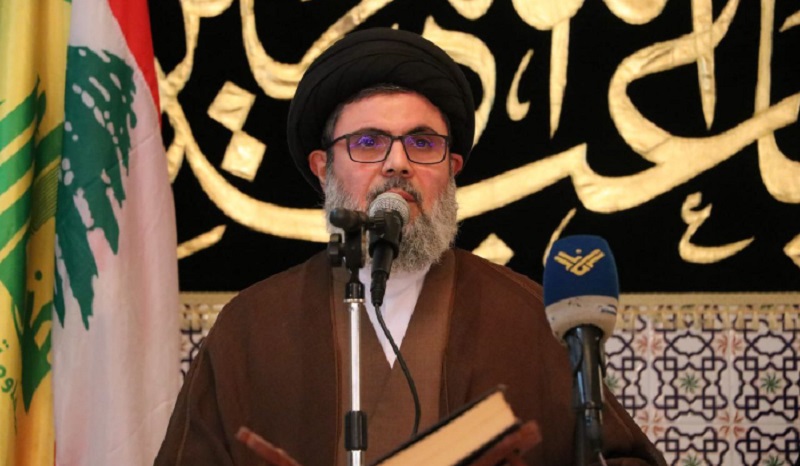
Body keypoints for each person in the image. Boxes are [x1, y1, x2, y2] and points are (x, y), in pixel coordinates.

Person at [155, 28, 666, 466]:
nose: (397, 163)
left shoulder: (529, 316)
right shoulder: (250, 327)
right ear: (323, 167)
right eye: (368, 142)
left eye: (422, 143)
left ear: (451, 170)